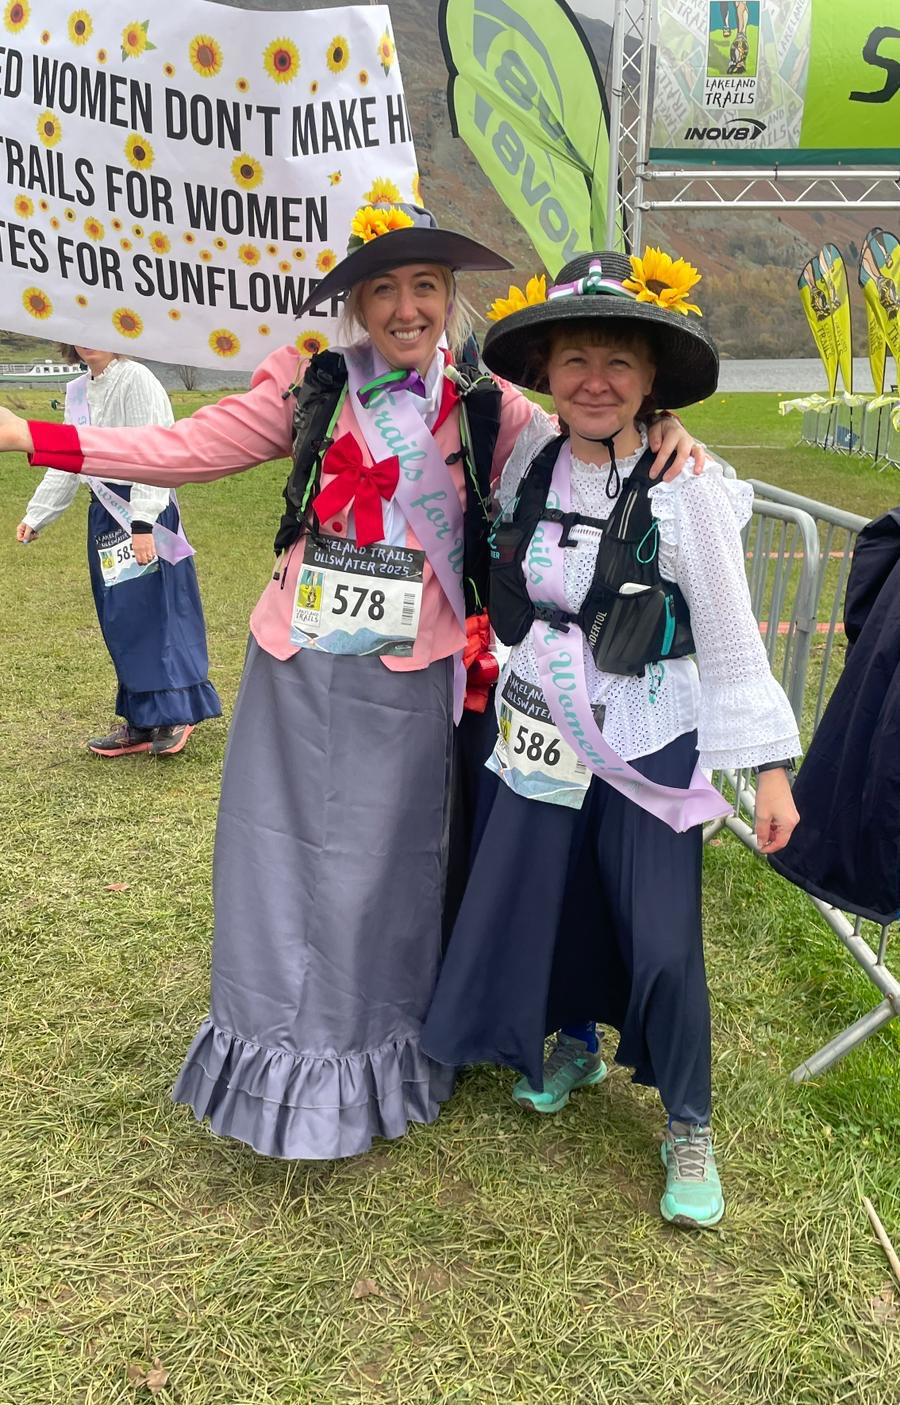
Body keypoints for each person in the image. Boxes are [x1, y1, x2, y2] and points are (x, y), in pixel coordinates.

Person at [0, 205, 701, 1162]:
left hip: (410, 678)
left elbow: (593, 427)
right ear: (358, 304)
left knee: (388, 871)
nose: (406, 308)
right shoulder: (313, 383)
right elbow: (187, 449)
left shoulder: (488, 406)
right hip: (297, 667)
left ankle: (376, 1056)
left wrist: (665, 429)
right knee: (278, 863)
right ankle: (275, 1053)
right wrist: (32, 437)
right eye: (384, 289)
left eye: (425, 287)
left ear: (449, 299)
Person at [421, 248, 802, 1228]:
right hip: (542, 726)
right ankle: (576, 1043)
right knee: (555, 894)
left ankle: (690, 1122)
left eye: (619, 361)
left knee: (663, 938)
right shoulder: (529, 465)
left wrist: (768, 772)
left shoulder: (687, 489)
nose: (596, 380)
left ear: (651, 378)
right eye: (576, 359)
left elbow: (730, 639)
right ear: (546, 373)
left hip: (649, 734)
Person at [15, 345, 220, 757]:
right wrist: (38, 514)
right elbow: (69, 456)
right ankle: (141, 718)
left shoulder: (135, 377)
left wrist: (142, 522)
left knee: (159, 611)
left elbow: (157, 451)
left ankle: (176, 712)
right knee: (123, 617)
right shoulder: (78, 391)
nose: (87, 340)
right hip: (105, 515)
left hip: (143, 510)